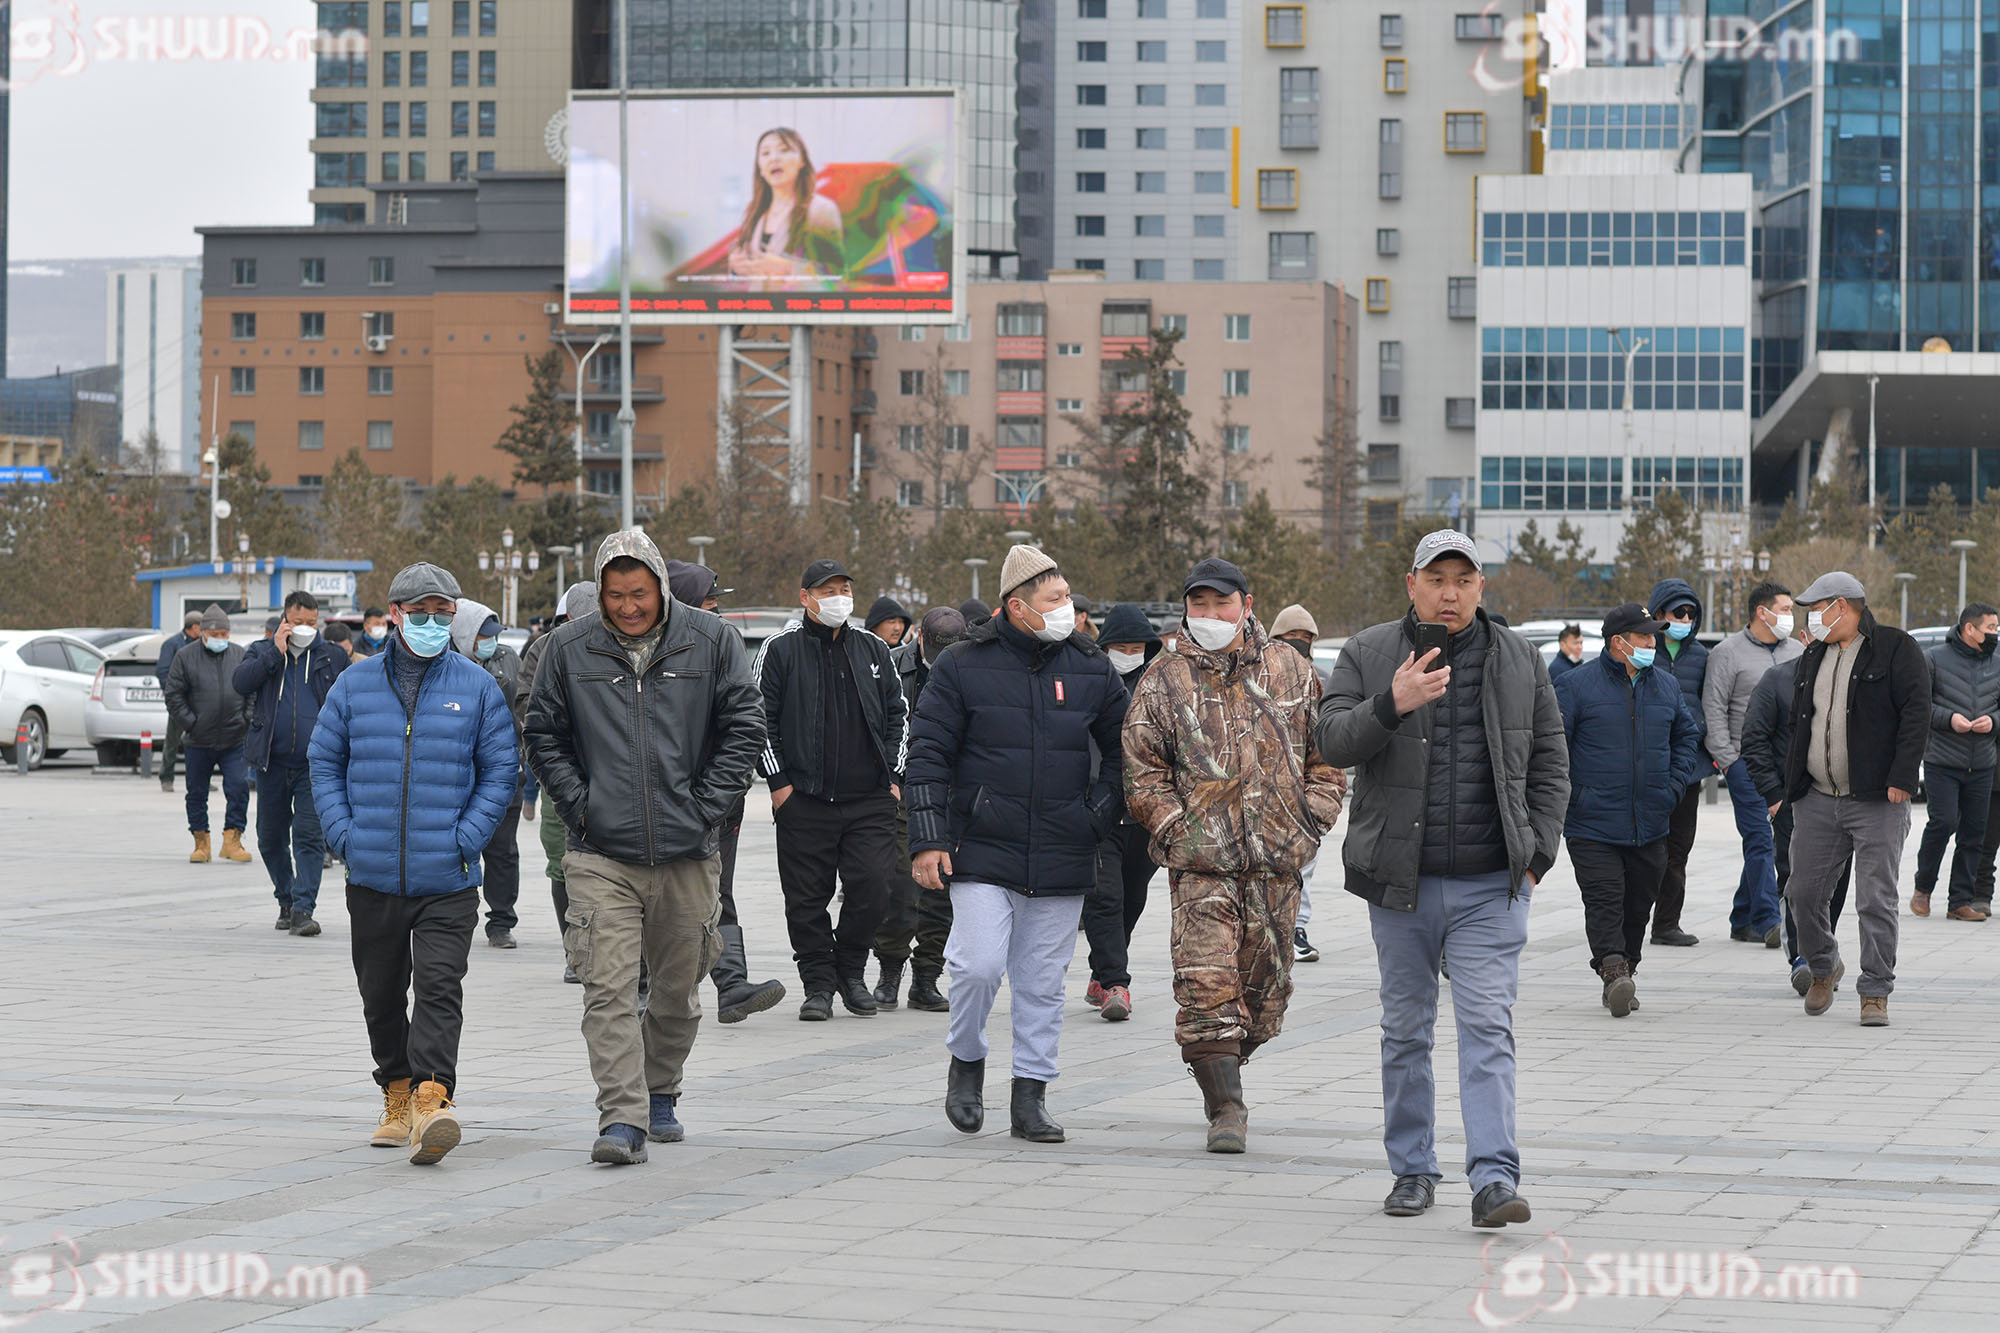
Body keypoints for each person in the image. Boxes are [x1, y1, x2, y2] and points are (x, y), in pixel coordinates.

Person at [1317, 529, 1568, 1228]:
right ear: (1412, 584)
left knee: (1487, 1027)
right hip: (1401, 884)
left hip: (1491, 884)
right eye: (1436, 579)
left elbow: (1551, 759)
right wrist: (1390, 703)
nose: (1449, 593)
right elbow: (1330, 740)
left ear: (1481, 586)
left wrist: (1536, 855)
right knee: (1405, 1032)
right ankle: (1412, 1170)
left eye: (1463, 579)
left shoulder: (1519, 657)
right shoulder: (1369, 652)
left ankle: (1494, 1178)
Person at [525, 529, 766, 1165]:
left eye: (639, 594)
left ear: (660, 585)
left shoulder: (711, 640)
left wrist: (705, 806)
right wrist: (583, 805)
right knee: (607, 989)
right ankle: (622, 1119)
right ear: (598, 591)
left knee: (677, 992)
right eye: (615, 595)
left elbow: (745, 725)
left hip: (688, 851)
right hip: (600, 852)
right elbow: (543, 733)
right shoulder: (567, 648)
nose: (628, 607)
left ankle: (661, 1090)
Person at [1123, 560, 1346, 1153]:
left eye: (1221, 603)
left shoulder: (1291, 669)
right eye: (1198, 604)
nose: (1210, 615)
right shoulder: (1163, 679)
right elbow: (1143, 771)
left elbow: (1326, 756)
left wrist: (1311, 817)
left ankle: (1224, 1059)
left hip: (1277, 863)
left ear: (1247, 605)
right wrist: (1177, 830)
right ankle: (1226, 1106)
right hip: (1201, 867)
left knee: (1265, 995)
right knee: (1206, 987)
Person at [908, 545, 1128, 1145]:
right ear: (1016, 606)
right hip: (982, 847)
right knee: (976, 966)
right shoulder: (961, 665)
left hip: (1064, 847)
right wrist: (927, 840)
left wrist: (1097, 815)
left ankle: (1031, 1095)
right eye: (1055, 600)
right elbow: (926, 754)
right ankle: (966, 1062)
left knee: (1040, 984)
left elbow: (1126, 751)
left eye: (1068, 597)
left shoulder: (1091, 668)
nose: (1068, 610)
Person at [308, 562, 517, 1165]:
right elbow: (324, 760)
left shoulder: (477, 686)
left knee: (438, 987)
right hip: (372, 872)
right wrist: (344, 835)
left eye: (442, 614)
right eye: (420, 613)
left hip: (447, 877)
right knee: (379, 993)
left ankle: (432, 1098)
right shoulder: (354, 685)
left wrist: (467, 837)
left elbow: (501, 768)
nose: (431, 623)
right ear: (395, 615)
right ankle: (396, 1091)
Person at [754, 559, 908, 1021]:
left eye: (845, 589)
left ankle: (851, 971)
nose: (839, 598)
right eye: (828, 591)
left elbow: (899, 715)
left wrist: (894, 779)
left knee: (874, 888)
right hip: (804, 799)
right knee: (806, 899)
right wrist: (779, 785)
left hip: (870, 799)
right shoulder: (780, 650)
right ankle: (818, 985)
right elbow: (758, 719)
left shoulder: (873, 648)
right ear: (805, 597)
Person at [1783, 572, 1930, 1026]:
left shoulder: (1896, 648)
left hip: (1878, 798)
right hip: (1817, 796)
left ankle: (1875, 990)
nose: (1811, 619)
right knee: (1802, 893)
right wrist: (1790, 783)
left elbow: (1917, 714)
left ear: (1841, 606)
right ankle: (1823, 965)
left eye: (1816, 610)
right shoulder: (1814, 654)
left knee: (1875, 899)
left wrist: (1903, 777)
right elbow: (1801, 721)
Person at [1553, 605, 1702, 1017]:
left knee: (1639, 903)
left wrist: (1673, 787)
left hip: (1651, 819)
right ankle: (1613, 969)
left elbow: (1687, 737)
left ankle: (1625, 970)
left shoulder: (1666, 686)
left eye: (1654, 636)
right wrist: (1572, 795)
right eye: (1645, 637)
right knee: (1604, 900)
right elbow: (1554, 747)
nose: (1653, 643)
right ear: (1618, 642)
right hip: (1592, 822)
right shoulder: (1575, 685)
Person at [665, 559, 788, 1024]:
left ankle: (732, 985)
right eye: (709, 603)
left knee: (719, 891)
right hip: (664, 799)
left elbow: (747, 722)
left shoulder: (724, 647)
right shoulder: (657, 655)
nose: (717, 612)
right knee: (654, 895)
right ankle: (643, 987)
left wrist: (725, 788)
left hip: (719, 801)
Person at [233, 590, 349, 935]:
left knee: (309, 837)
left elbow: (348, 701)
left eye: (312, 623)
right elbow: (241, 682)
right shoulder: (261, 651)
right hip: (271, 762)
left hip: (316, 766)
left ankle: (303, 910)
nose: (305, 628)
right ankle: (285, 898)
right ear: (285, 620)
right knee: (270, 838)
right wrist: (275, 652)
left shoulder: (331, 656)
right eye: (298, 622)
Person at [873, 606, 967, 1013]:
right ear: (920, 639)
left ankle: (927, 976)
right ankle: (889, 969)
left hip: (952, 795)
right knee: (899, 888)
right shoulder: (892, 666)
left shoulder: (973, 667)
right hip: (903, 790)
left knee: (941, 892)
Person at [1700, 582, 1803, 949]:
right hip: (1745, 762)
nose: (1791, 616)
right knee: (1759, 837)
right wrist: (1730, 761)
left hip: (1787, 763)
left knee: (1777, 840)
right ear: (1763, 612)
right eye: (1786, 609)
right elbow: (1713, 709)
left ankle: (1742, 916)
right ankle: (1768, 919)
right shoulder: (1727, 653)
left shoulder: (1798, 651)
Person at [1743, 656, 1852, 996]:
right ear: (1806, 637)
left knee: (1836, 882)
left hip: (1847, 799)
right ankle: (1803, 958)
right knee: (1798, 880)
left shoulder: (1855, 675)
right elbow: (1754, 738)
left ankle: (1823, 950)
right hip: (1795, 801)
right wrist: (1774, 796)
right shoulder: (1778, 679)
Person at [1084, 603, 1166, 1021]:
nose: (1129, 654)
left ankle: (1101, 973)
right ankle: (1116, 983)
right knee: (1105, 897)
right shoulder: (1089, 681)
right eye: (1122, 647)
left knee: (1132, 898)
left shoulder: (1159, 686)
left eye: (1137, 648)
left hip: (1144, 815)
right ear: (1106, 647)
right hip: (1099, 811)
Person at [516, 582, 598, 983]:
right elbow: (526, 703)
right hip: (561, 774)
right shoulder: (544, 649)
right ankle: (575, 951)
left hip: (615, 773)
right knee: (562, 862)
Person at [1913, 603, 2000, 920]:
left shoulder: (1998, 662)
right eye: (1990, 628)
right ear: (1969, 629)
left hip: (1983, 762)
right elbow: (1919, 706)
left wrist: (1994, 721)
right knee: (1944, 822)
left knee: (1974, 833)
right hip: (1943, 760)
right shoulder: (1934, 659)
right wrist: (1949, 719)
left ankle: (1960, 901)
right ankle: (1923, 888)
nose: (1995, 634)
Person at [449, 600, 525, 949]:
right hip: (459, 774)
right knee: (458, 848)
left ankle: (501, 921)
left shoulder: (507, 659)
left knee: (503, 852)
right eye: (483, 635)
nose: (490, 642)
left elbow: (524, 706)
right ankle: (455, 916)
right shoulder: (445, 663)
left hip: (504, 770)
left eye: (493, 635)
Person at [1645, 578, 1713, 949]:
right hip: (1648, 765)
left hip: (1688, 768)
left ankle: (1667, 923)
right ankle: (1631, 916)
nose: (1685, 619)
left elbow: (1708, 703)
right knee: (1646, 848)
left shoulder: (1701, 656)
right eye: (1678, 612)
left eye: (1691, 613)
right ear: (1659, 613)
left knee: (1678, 849)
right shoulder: (1645, 649)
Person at [164, 605, 254, 866]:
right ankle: (201, 842)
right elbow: (173, 694)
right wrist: (190, 723)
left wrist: (246, 718)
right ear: (202, 633)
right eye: (215, 634)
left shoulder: (239, 655)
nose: (220, 639)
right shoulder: (185, 656)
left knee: (238, 788)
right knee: (196, 792)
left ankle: (233, 839)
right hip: (198, 740)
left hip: (234, 738)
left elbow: (253, 690)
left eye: (224, 634)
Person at [1268, 603, 1327, 963]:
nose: (1299, 643)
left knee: (1306, 864)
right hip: (1266, 791)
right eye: (1292, 636)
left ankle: (1296, 929)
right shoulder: (1260, 676)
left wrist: (1319, 800)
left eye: (1305, 637)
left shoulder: (1315, 681)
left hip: (1303, 791)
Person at [727, 127, 844, 283]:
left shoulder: (821, 209)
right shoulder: (754, 211)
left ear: (802, 161)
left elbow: (836, 276)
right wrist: (738, 268)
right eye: (765, 153)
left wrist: (788, 268)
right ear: (760, 168)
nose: (774, 158)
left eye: (784, 150)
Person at [155, 611, 204, 792]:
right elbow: (163, 672)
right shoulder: (172, 644)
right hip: (180, 702)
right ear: (194, 627)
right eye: (202, 627)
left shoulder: (202, 644)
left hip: (200, 701)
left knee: (202, 742)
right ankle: (166, 777)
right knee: (172, 741)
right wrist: (174, 696)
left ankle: (202, 778)